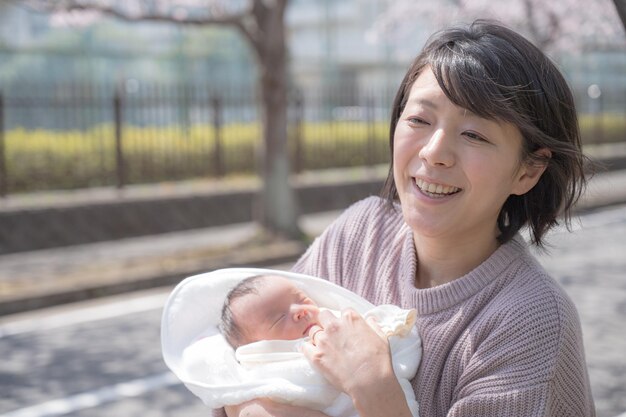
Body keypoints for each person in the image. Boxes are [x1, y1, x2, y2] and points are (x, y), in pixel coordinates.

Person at [221, 19, 595, 417]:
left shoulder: (529, 319)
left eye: (474, 134)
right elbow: (239, 359)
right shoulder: (359, 233)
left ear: (528, 171)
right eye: (420, 119)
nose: (435, 152)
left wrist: (373, 384)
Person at [218, 273, 421, 417]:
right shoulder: (260, 371)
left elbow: (400, 349)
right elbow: (225, 392)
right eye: (279, 319)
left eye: (302, 299)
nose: (300, 310)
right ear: (254, 348)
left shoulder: (342, 325)